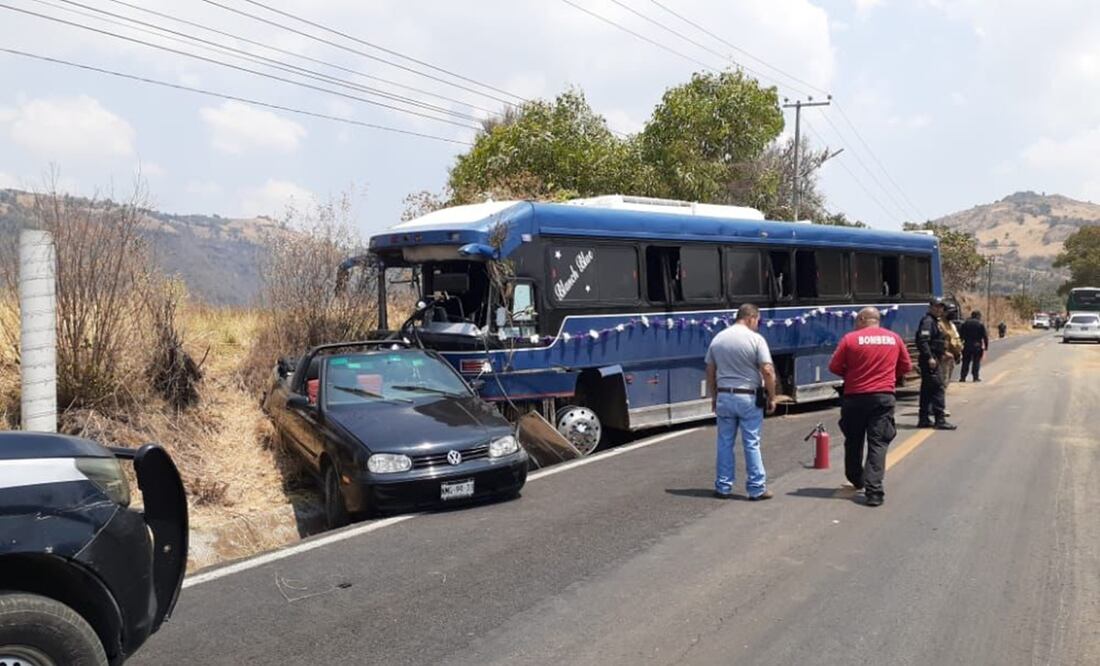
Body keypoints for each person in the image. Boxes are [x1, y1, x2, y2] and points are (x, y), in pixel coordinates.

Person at [828, 307, 912, 506]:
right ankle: (874, 491)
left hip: (854, 397)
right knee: (878, 442)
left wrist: (852, 375)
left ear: (864, 319)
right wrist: (889, 375)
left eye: (857, 319)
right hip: (883, 397)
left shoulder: (850, 339)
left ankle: (856, 478)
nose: (855, 323)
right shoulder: (894, 338)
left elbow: (834, 367)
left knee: (854, 439)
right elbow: (906, 366)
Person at [705, 303, 777, 501]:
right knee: (751, 442)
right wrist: (771, 396)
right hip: (748, 397)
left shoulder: (718, 339)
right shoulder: (755, 339)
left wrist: (714, 396)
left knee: (724, 442)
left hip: (724, 396)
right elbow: (768, 371)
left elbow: (710, 371)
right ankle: (756, 488)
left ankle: (723, 486)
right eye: (757, 321)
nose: (757, 325)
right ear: (751, 318)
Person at [915, 297, 957, 430]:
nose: (940, 309)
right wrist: (930, 358)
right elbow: (923, 341)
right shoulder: (928, 322)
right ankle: (940, 419)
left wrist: (943, 353)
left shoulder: (934, 321)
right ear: (930, 307)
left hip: (935, 358)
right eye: (937, 307)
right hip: (931, 361)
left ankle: (924, 419)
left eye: (941, 307)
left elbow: (936, 342)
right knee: (938, 388)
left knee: (927, 390)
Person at [958, 310, 990, 382]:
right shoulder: (980, 324)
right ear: (978, 316)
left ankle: (963, 377)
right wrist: (986, 346)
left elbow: (961, 335)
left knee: (965, 362)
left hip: (967, 345)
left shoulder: (965, 323)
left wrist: (961, 344)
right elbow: (985, 336)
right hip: (977, 346)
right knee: (976, 362)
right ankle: (975, 377)